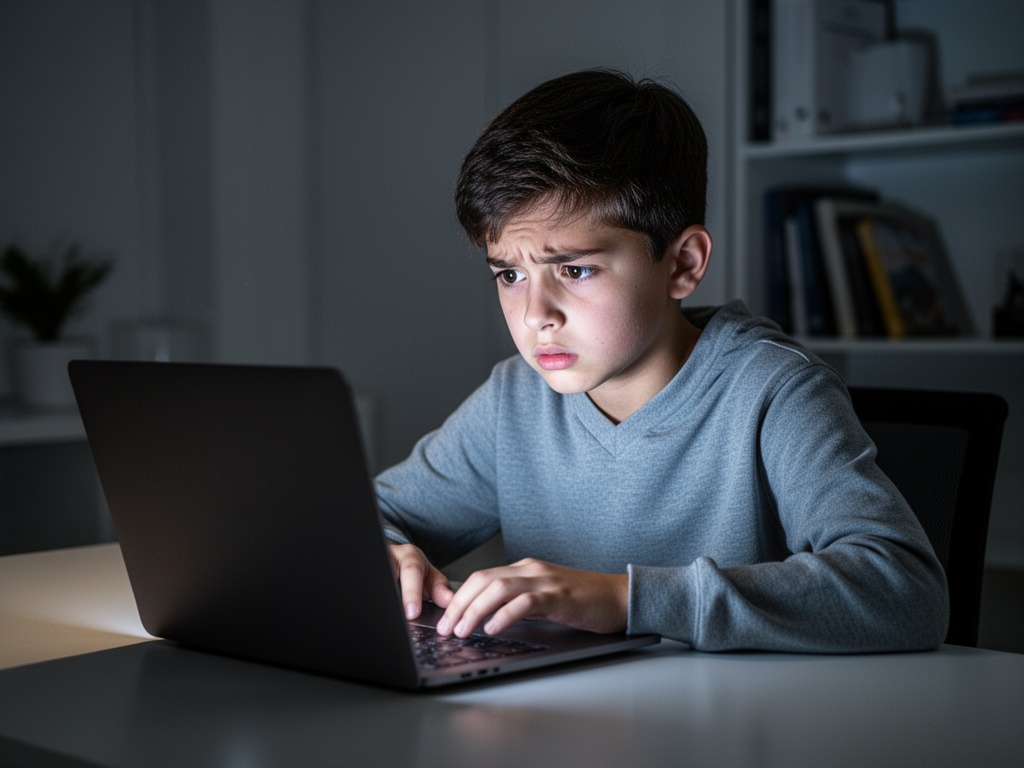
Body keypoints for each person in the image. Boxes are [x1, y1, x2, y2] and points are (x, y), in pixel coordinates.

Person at [375, 69, 949, 652]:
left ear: (683, 265)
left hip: (739, 728)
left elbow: (905, 589)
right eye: (510, 274)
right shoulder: (515, 398)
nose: (534, 315)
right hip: (561, 723)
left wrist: (626, 600)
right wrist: (388, 556)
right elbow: (369, 513)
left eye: (574, 270)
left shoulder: (775, 389)